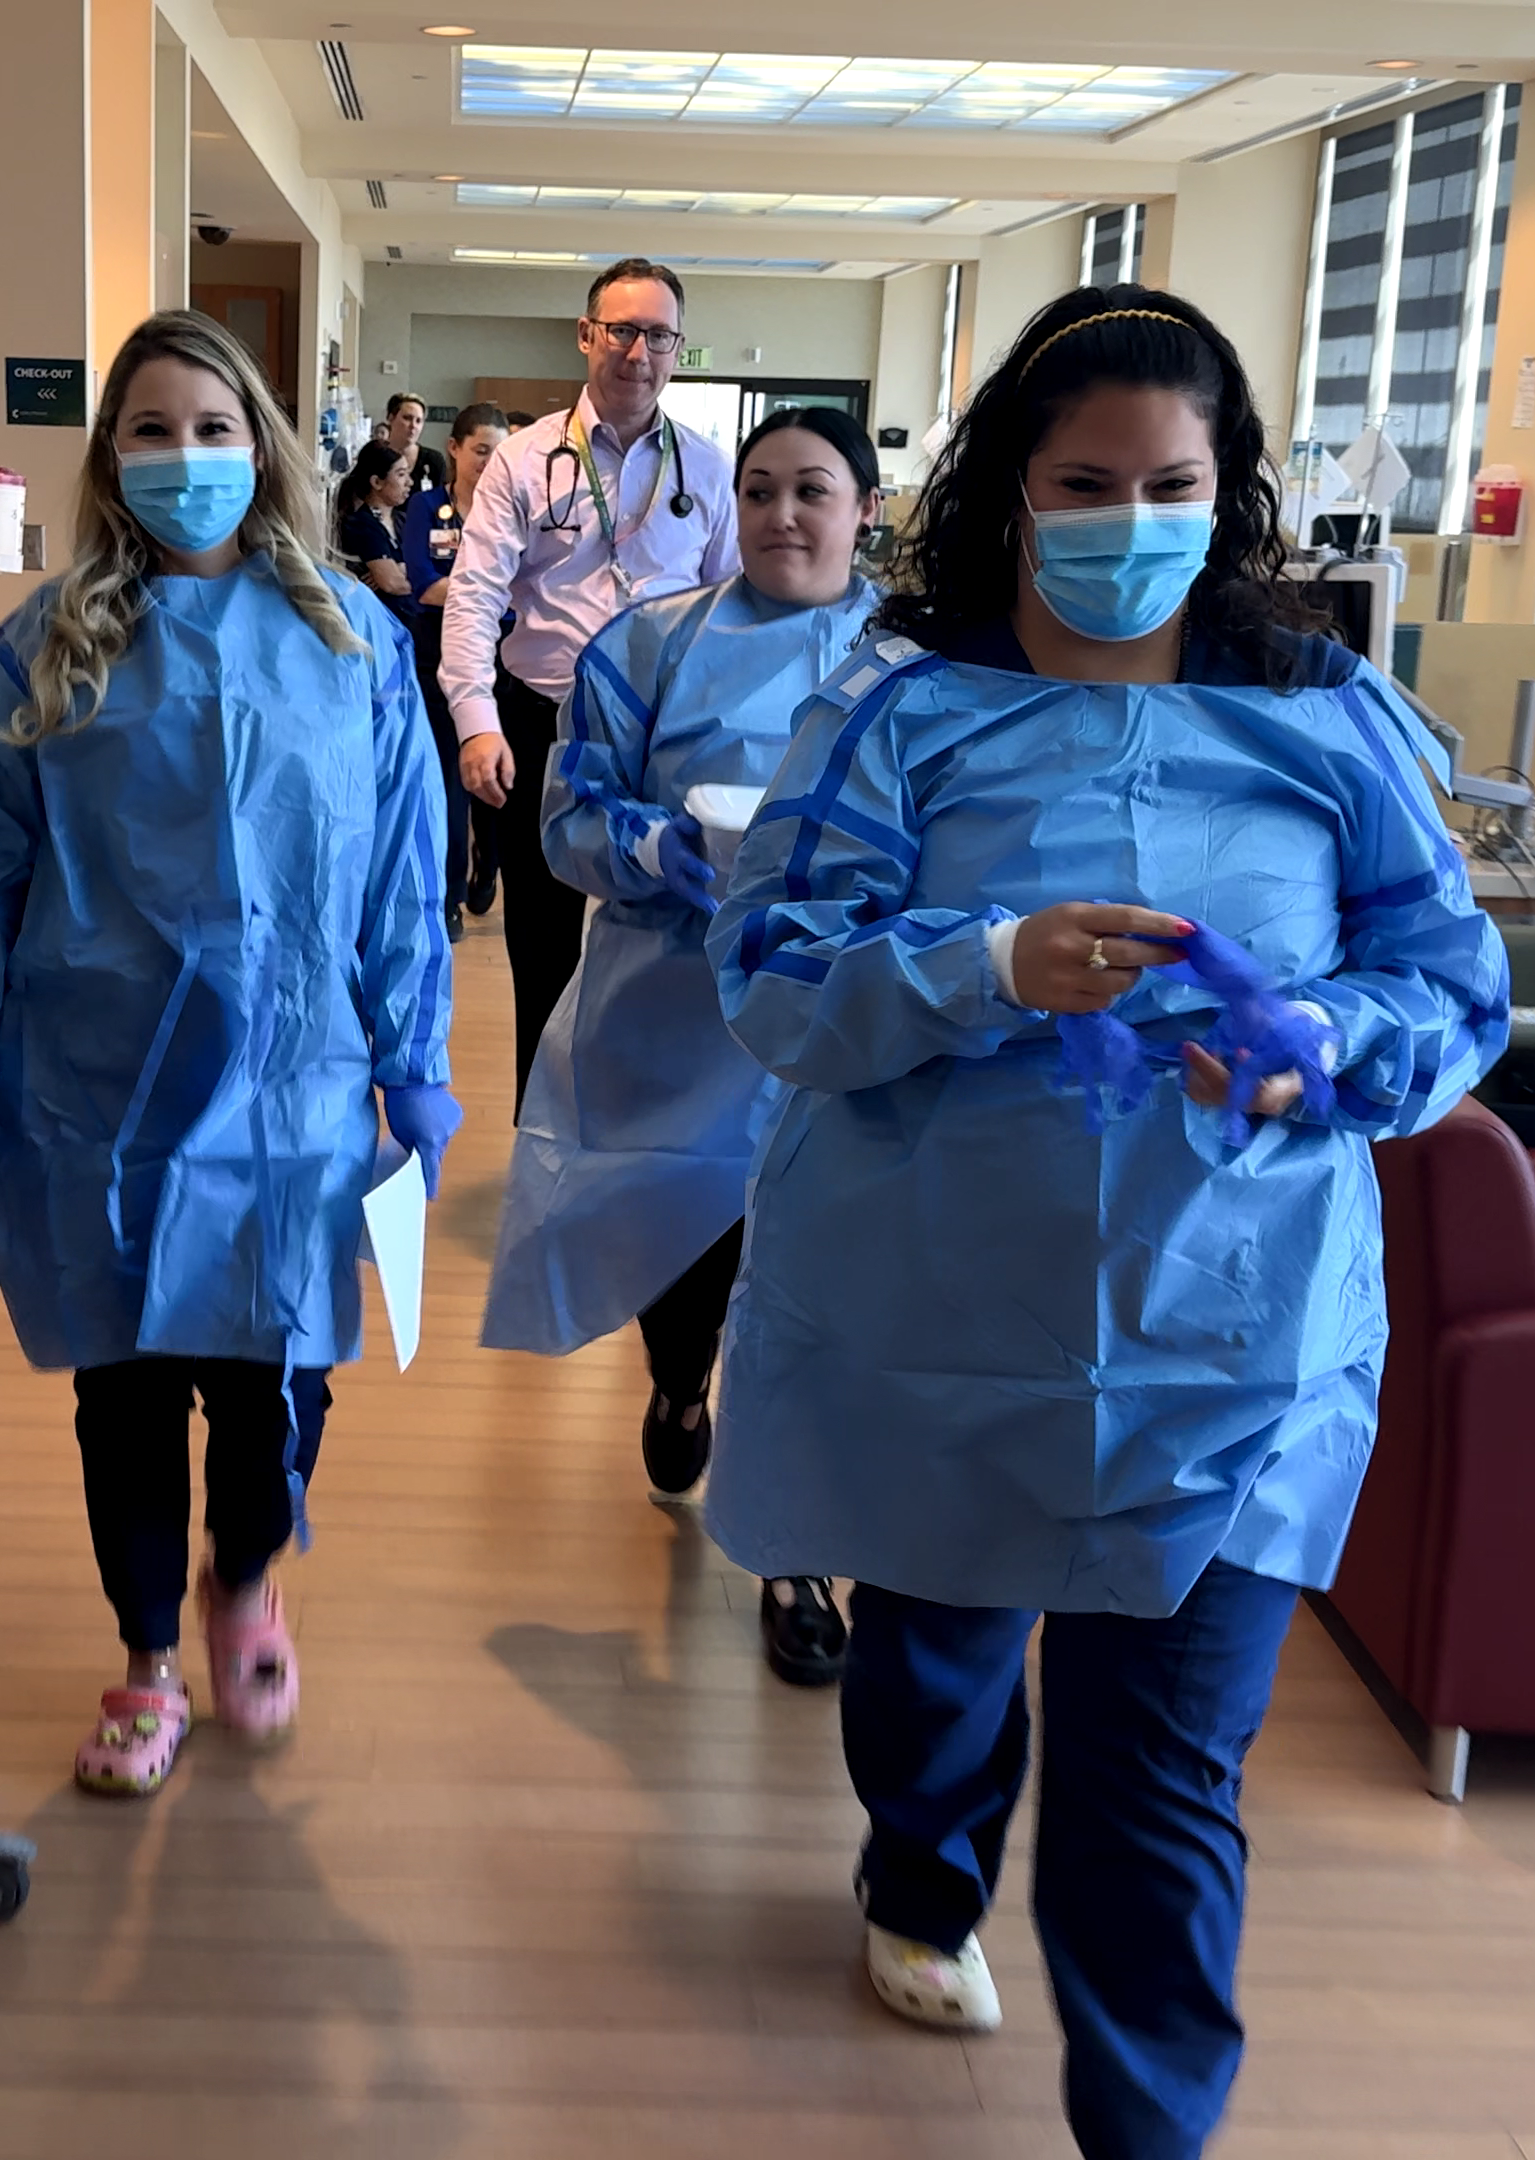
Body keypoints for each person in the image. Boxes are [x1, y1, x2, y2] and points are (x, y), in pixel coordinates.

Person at [704, 287, 1509, 2155]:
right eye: (1085, 481)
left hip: (1232, 1342)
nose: (1125, 519)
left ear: (1226, 499)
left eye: (1169, 483)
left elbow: (1448, 979)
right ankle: (923, 1867)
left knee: (1157, 1797)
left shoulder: (1323, 719)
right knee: (941, 1681)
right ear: (1011, 491)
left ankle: (1149, 2129)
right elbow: (774, 972)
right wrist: (990, 961)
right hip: (939, 1328)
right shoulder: (901, 709)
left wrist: (1323, 1048)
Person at [0, 309, 462, 1799]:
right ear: (110, 459)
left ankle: (245, 1579)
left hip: (295, 1089)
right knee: (131, 1387)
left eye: (213, 429)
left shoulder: (353, 645)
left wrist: (413, 1048)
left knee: (280, 1381)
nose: (184, 458)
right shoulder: (48, 647)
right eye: (151, 432)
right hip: (102, 1098)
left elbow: (404, 865)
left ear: (264, 449)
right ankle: (150, 1655)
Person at [479, 405, 884, 1687]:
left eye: (811, 491)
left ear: (864, 508)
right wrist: (674, 849)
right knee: (691, 1254)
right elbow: (566, 823)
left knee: (813, 1284)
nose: (780, 515)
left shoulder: (921, 665)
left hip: (851, 1026)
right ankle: (676, 1383)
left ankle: (797, 1555)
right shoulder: (645, 645)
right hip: (679, 1011)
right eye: (757, 491)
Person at [441, 258, 742, 1105]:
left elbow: (735, 615)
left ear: (678, 348)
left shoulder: (708, 469)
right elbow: (474, 597)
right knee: (541, 950)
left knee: (657, 939)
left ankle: (638, 1146)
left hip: (666, 739)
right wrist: (474, 721)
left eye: (658, 334)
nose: (638, 351)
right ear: (587, 336)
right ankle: (546, 1143)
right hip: (542, 727)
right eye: (621, 329)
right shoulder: (525, 462)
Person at [397, 403, 511, 934]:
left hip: (505, 657)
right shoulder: (426, 509)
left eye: (500, 451)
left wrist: (475, 597)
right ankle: (448, 893)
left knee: (495, 767)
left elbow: (524, 597)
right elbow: (423, 583)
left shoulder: (515, 510)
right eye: (482, 450)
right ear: (456, 449)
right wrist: (488, 596)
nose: (491, 461)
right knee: (447, 775)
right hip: (435, 655)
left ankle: (489, 859)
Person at [334, 440, 415, 603]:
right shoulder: (361, 525)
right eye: (400, 475)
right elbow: (393, 583)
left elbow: (435, 562)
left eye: (407, 473)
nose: (409, 482)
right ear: (377, 482)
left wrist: (402, 568)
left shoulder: (403, 520)